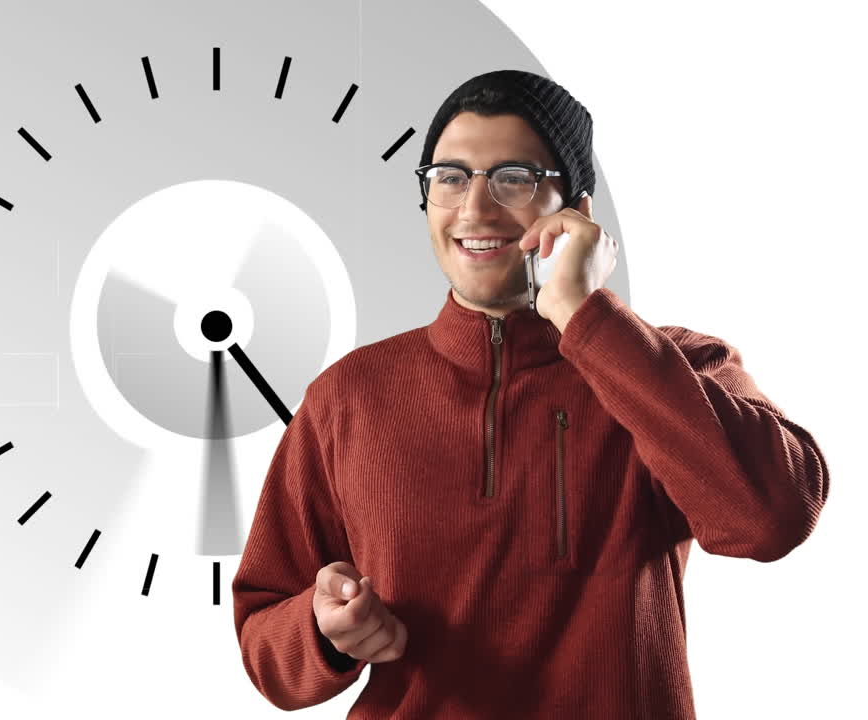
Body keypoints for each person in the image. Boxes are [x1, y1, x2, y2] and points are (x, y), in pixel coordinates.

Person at [232, 69, 830, 719]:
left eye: (514, 178)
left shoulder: (676, 367)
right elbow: (265, 638)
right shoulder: (349, 395)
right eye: (450, 177)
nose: (475, 209)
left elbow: (773, 518)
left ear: (578, 212)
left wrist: (586, 317)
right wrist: (323, 631)